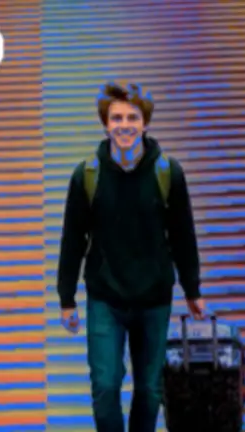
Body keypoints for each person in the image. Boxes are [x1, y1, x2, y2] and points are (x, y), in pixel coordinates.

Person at [56, 82, 206, 432]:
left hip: (154, 298)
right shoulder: (87, 175)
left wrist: (192, 289)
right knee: (105, 387)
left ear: (145, 123)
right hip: (105, 297)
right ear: (105, 124)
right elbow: (72, 240)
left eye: (132, 117)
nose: (124, 125)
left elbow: (183, 235)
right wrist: (66, 298)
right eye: (116, 118)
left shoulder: (168, 173)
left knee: (150, 391)